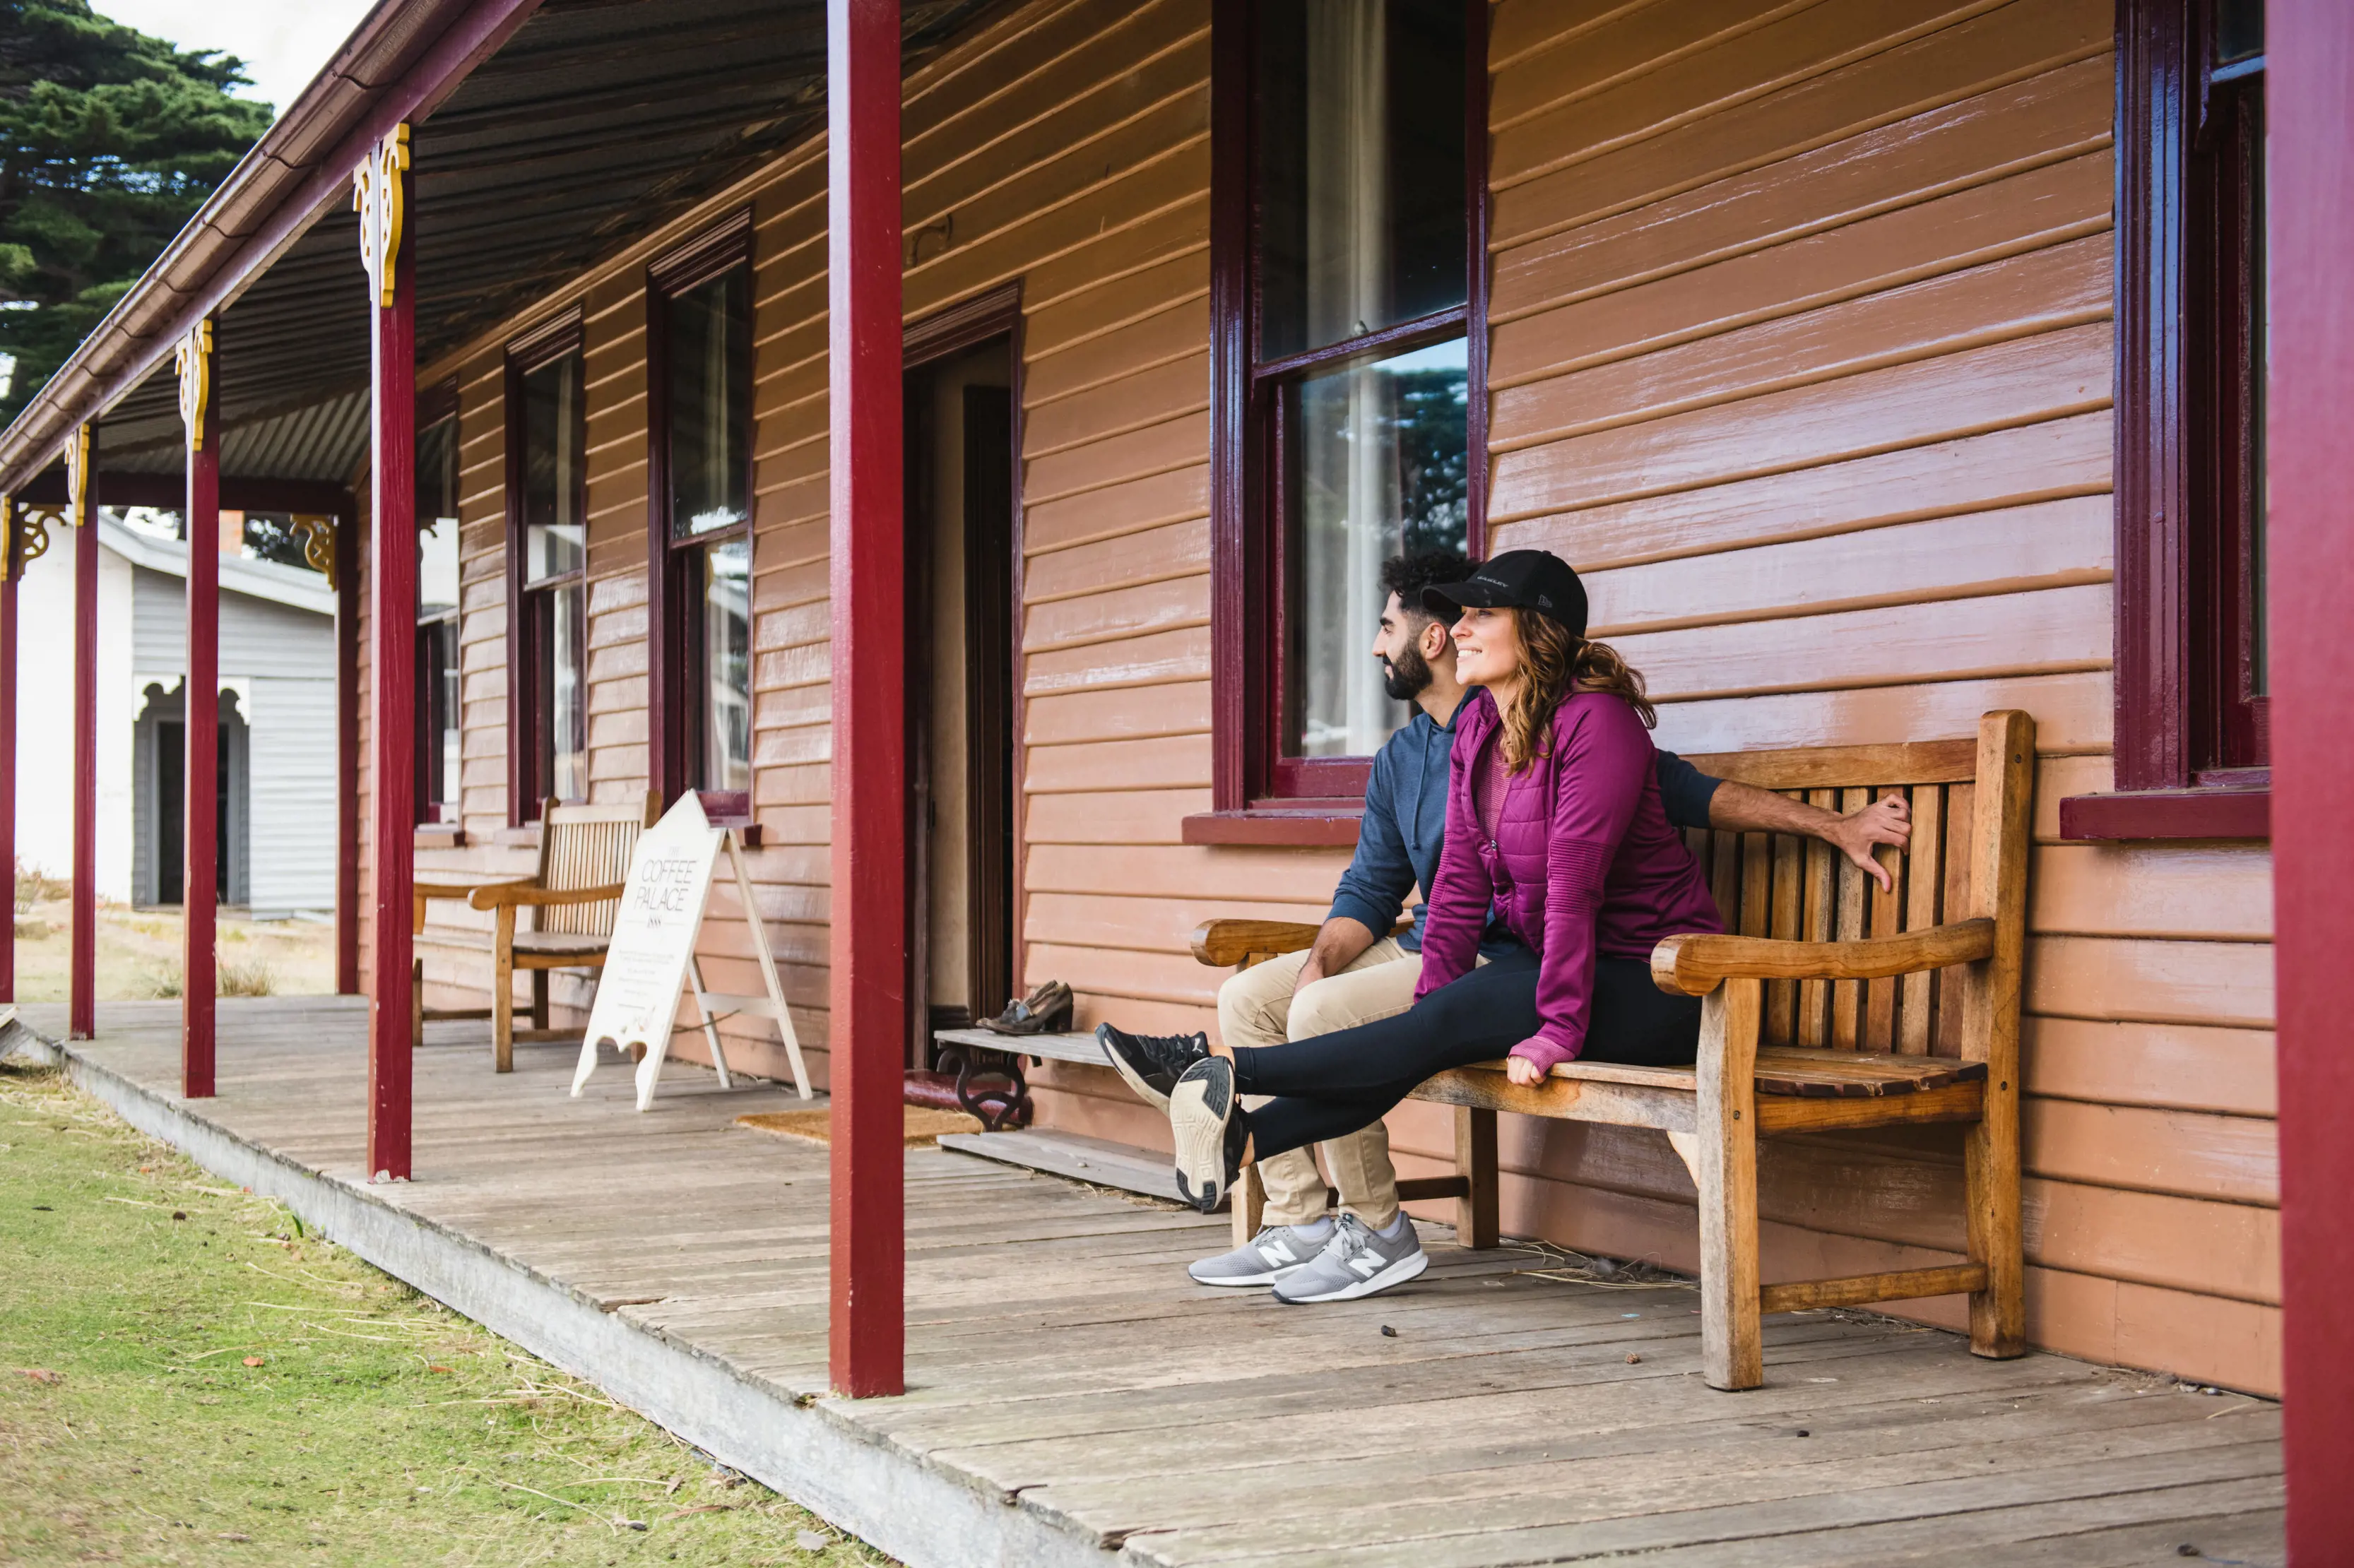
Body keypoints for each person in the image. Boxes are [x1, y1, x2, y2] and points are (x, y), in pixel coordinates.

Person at [1099, 549, 1910, 1302]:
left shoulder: (1599, 726)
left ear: (1538, 628)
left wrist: (1554, 1028)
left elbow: (1575, 884)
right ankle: (1241, 1132)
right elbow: (1452, 885)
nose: (1459, 632)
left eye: (1481, 617)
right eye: (1456, 619)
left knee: (1444, 1020)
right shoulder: (1479, 732)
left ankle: (1213, 1069)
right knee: (1434, 1023)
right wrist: (1437, 993)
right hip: (1562, 967)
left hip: (1664, 981)